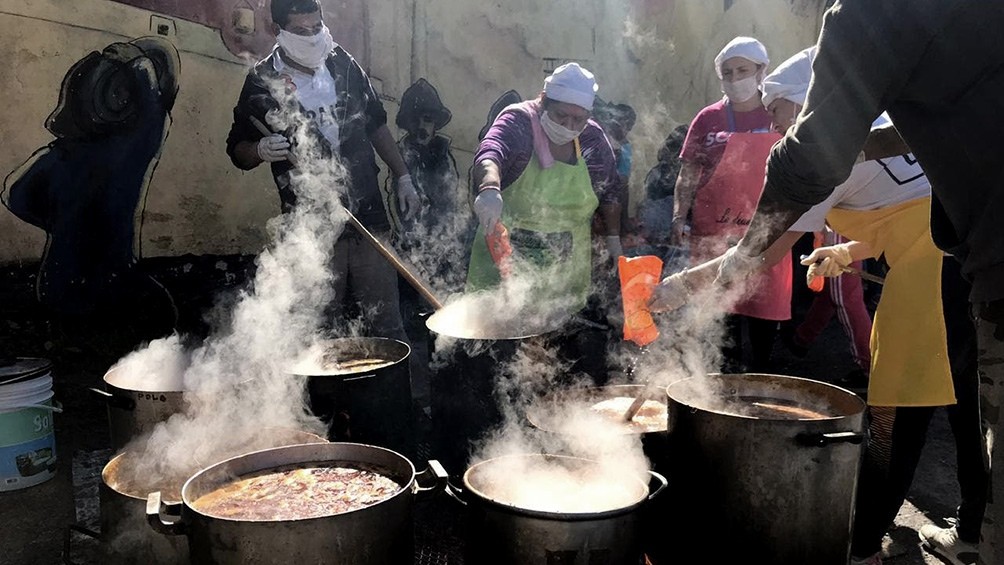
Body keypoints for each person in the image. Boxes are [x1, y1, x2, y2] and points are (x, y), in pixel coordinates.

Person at [701, 9, 1004, 555]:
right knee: (970, 408)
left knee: (895, 409)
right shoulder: (886, 138)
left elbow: (770, 239)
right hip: (954, 266)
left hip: (935, 277)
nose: (776, 123)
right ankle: (974, 531)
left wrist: (688, 286)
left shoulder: (828, 142)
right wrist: (845, 252)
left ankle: (862, 539)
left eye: (780, 110)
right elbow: (904, 217)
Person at [225, 0, 419, 359]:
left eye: (316, 28)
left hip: (369, 217)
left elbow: (376, 124)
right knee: (321, 330)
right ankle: (327, 411)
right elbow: (237, 150)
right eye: (301, 31)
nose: (312, 37)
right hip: (310, 229)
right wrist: (260, 149)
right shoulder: (261, 83)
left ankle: (399, 406)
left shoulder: (342, 64)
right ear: (277, 31)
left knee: (387, 324)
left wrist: (403, 175)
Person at [670, 36, 790, 372]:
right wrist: (679, 215)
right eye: (728, 72)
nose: (735, 79)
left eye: (743, 70)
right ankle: (718, 383)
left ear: (761, 71)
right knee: (719, 315)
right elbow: (688, 171)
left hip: (767, 231)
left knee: (765, 311)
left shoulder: (776, 114)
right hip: (713, 231)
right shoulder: (707, 118)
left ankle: (759, 377)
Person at [468, 62, 621, 313]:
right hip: (503, 269)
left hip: (566, 273)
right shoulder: (518, 121)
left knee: (555, 346)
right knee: (498, 345)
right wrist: (489, 189)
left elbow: (611, 190)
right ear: (543, 101)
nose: (569, 126)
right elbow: (490, 153)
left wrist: (613, 238)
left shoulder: (592, 138)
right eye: (561, 116)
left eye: (578, 119)